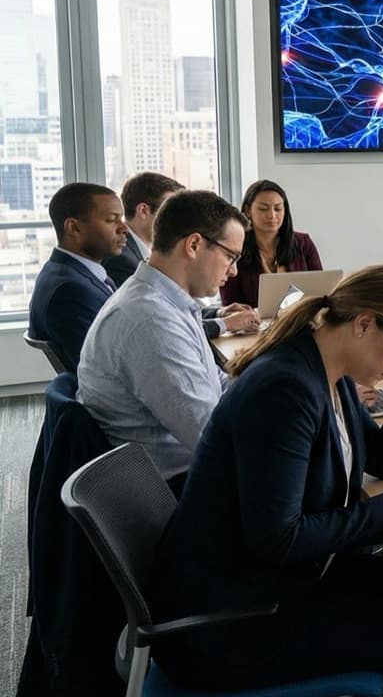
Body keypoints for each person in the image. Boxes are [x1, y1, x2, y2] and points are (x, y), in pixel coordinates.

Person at [153, 265, 383, 697]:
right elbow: (276, 540)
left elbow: (382, 460)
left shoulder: (328, 368)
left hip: (274, 580)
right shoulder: (285, 389)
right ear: (363, 323)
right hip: (230, 624)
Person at [78, 191, 246, 483]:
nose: (233, 271)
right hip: (181, 486)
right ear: (193, 245)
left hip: (186, 468)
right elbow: (214, 437)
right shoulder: (149, 319)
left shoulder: (168, 301)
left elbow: (216, 385)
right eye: (230, 256)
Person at [107, 171, 258, 337]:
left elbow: (184, 314)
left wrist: (218, 313)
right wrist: (225, 323)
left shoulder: (157, 278)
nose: (181, 221)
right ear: (193, 244)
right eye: (170, 209)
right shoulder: (152, 314)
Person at [27, 183, 127, 372]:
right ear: (73, 227)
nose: (124, 228)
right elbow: (102, 369)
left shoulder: (66, 272)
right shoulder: (70, 292)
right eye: (111, 220)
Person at [221, 179, 324, 308]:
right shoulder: (236, 247)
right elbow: (230, 305)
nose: (272, 215)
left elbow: (320, 290)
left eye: (278, 208)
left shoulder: (303, 243)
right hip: (252, 325)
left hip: (300, 321)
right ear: (248, 211)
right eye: (263, 209)